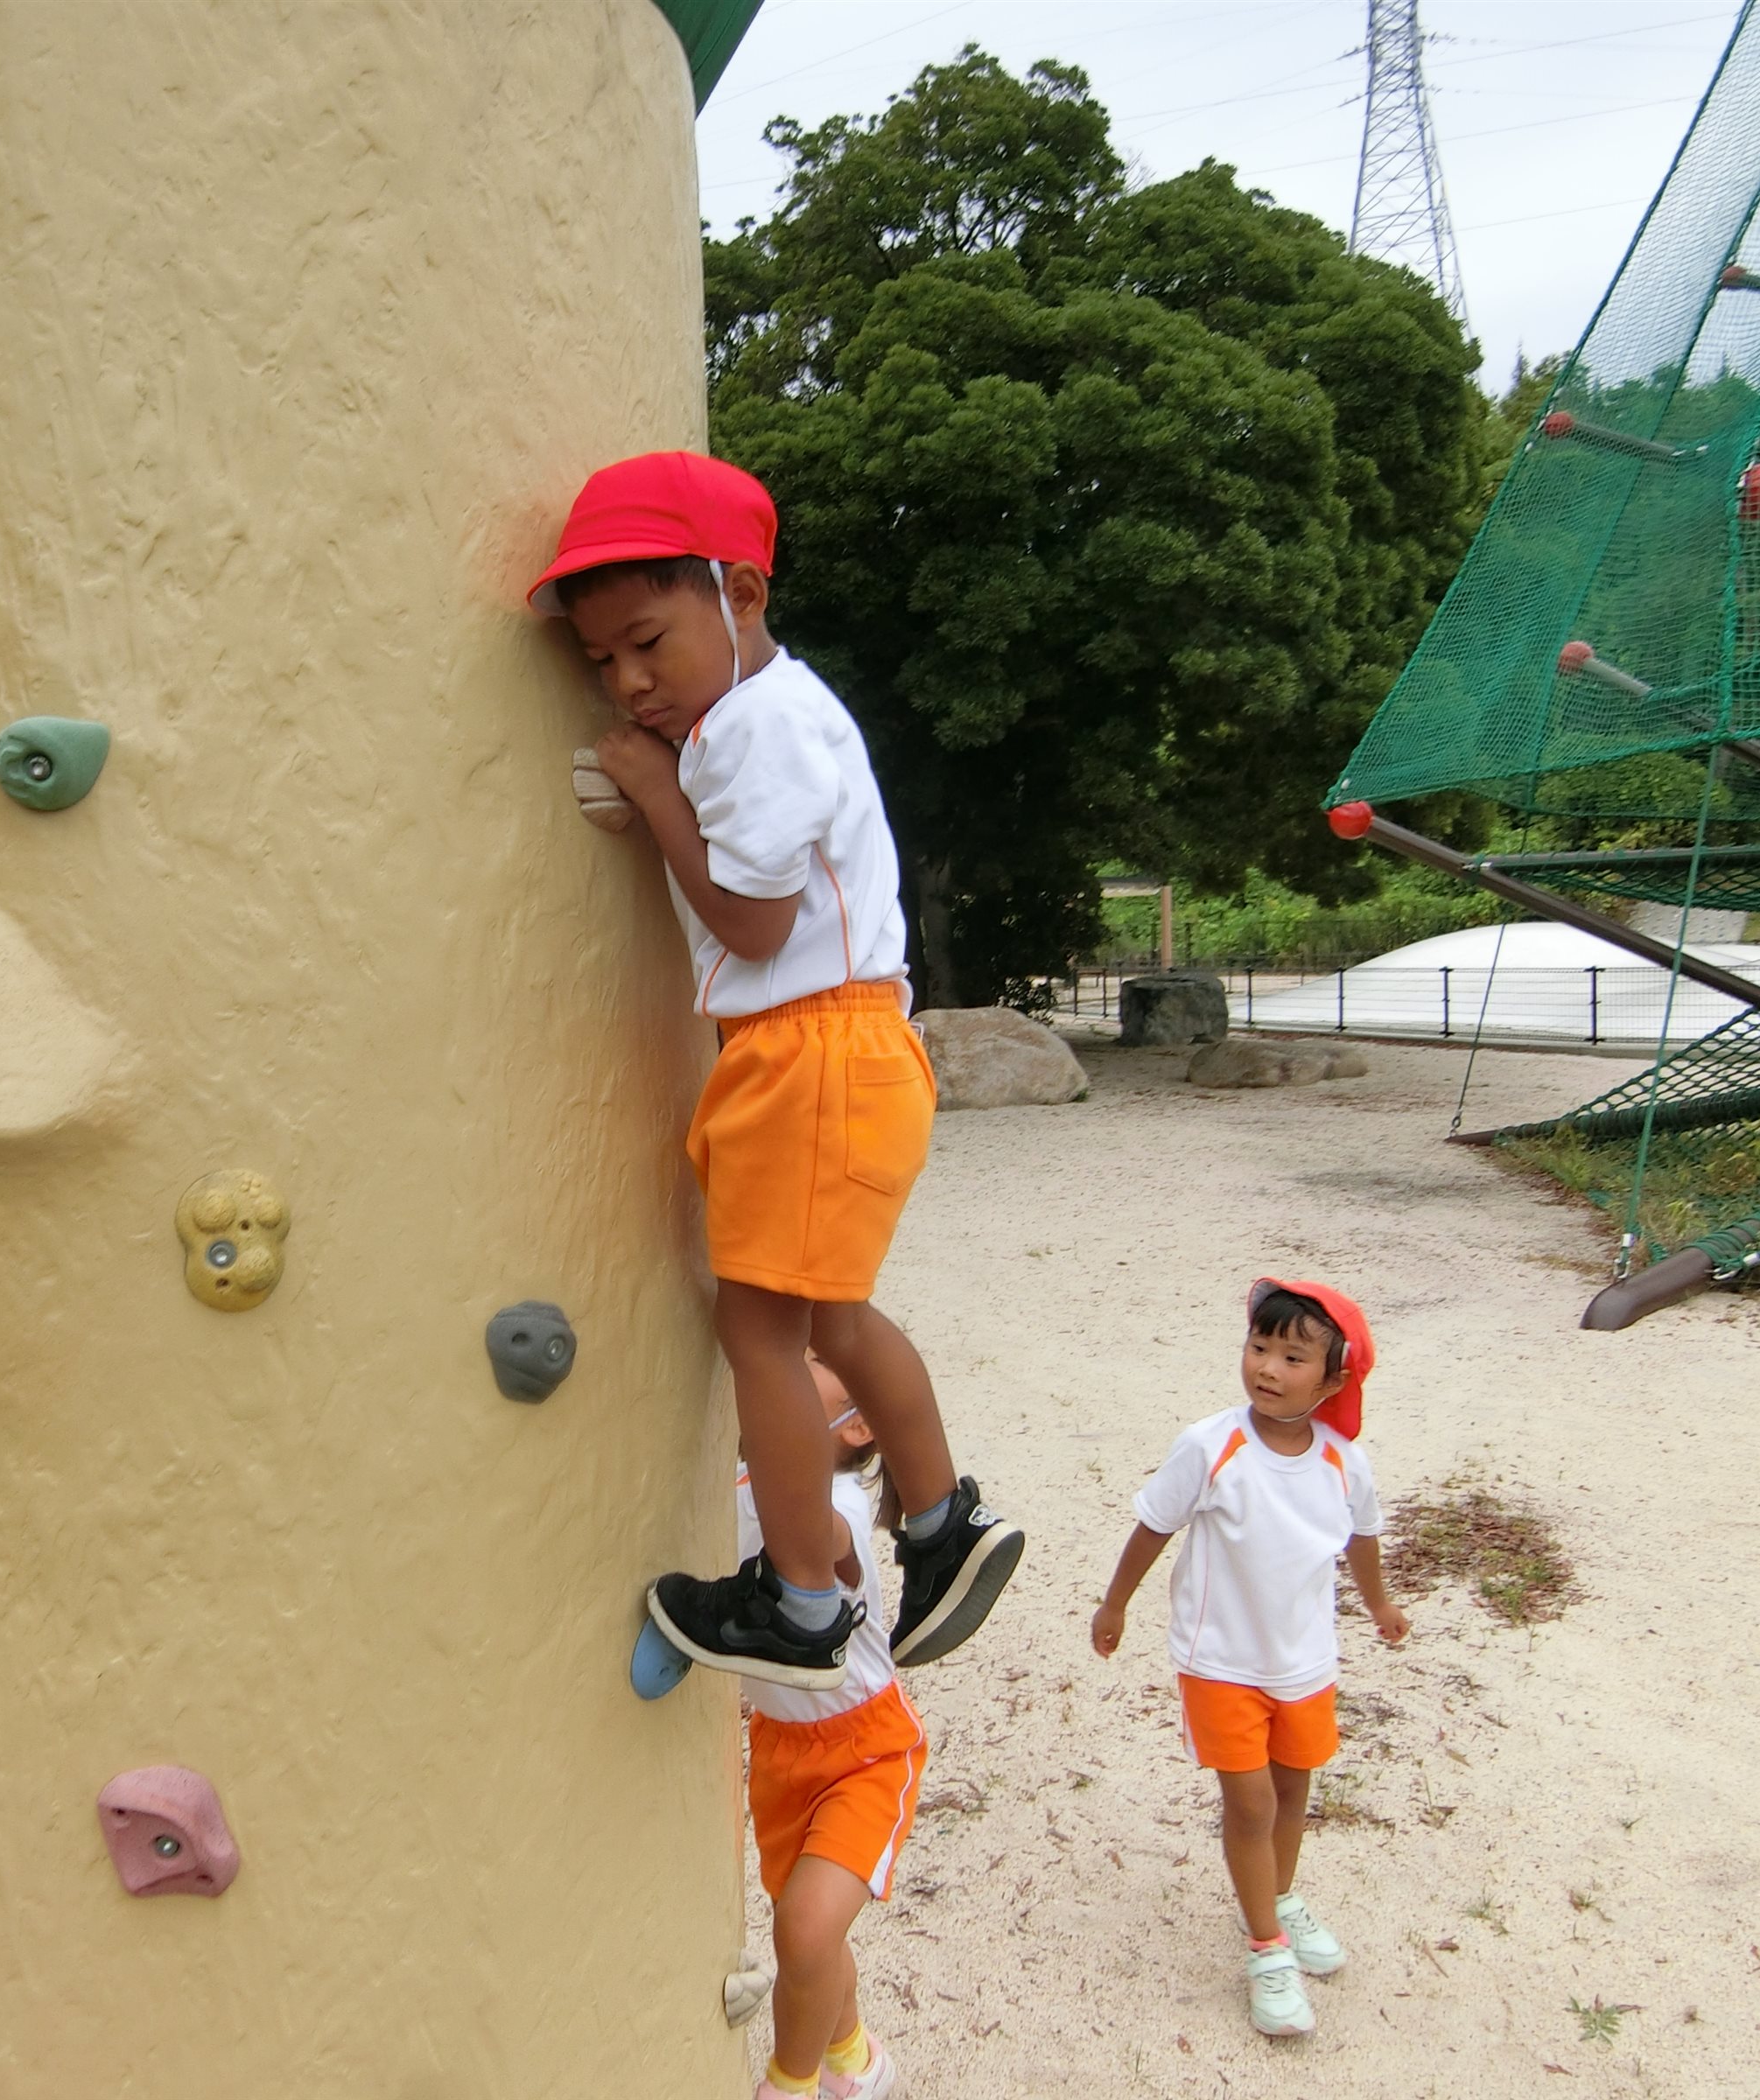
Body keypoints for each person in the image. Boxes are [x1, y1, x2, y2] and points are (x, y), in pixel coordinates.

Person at [529, 449, 1022, 1689]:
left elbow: (752, 923)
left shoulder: (758, 725)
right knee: (831, 1316)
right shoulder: (758, 719)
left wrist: (651, 794)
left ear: (739, 593)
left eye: (648, 641)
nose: (630, 682)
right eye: (602, 662)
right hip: (828, 1048)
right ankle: (939, 1523)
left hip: (810, 1047)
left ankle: (802, 1598)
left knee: (757, 1329)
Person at [1089, 1281, 1409, 2040]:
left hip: (1304, 1664)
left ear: (1333, 1380)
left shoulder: (1342, 1463)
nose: (1268, 1367)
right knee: (1252, 1804)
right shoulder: (1211, 1445)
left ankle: (1281, 1897)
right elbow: (1153, 1526)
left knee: (1294, 1794)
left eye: (1293, 1356)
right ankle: (1267, 1947)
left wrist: (1379, 1604)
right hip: (1221, 1663)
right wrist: (1115, 1603)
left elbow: (1361, 1538)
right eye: (1259, 1348)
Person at [737, 1362, 919, 2100]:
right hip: (780, 1746)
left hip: (865, 1751)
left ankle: (791, 2083)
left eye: (806, 1369)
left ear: (858, 1427)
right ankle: (854, 2057)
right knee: (807, 1932)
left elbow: (827, 1539)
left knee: (805, 1932)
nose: (780, 1373)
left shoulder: (832, 1500)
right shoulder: (740, 1491)